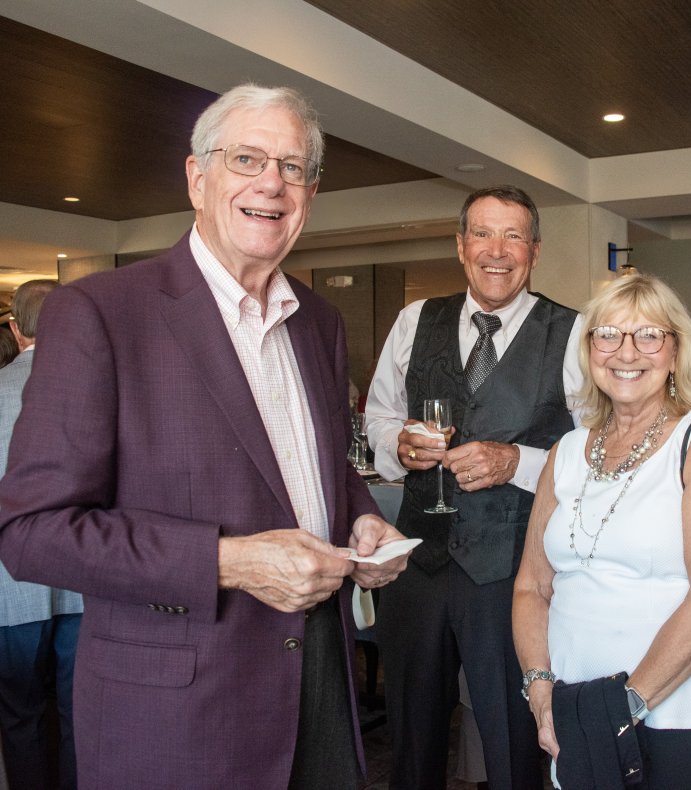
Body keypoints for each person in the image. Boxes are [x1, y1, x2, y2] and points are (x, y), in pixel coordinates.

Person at [0, 84, 410, 790]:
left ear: (309, 195)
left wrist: (364, 517)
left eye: (292, 168)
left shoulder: (319, 322)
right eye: (247, 158)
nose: (271, 184)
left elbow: (320, 473)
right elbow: (32, 533)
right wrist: (229, 562)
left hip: (320, 679)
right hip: (177, 716)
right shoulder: (100, 314)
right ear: (197, 178)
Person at [366, 185, 584, 789]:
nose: (497, 250)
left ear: (534, 250)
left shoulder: (575, 333)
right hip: (419, 562)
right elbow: (380, 417)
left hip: (514, 573)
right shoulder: (416, 320)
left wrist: (517, 461)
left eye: (513, 236)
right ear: (461, 247)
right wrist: (398, 447)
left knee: (513, 738)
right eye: (483, 234)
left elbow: (595, 455)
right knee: (412, 737)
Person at [512, 274, 691, 789]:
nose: (627, 352)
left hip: (682, 716)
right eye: (608, 334)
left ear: (674, 350)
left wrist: (623, 708)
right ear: (589, 348)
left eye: (648, 335)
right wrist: (540, 691)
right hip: (574, 710)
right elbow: (533, 586)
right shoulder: (567, 451)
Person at [0, 280, 83, 790]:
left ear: (14, 328)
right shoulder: (97, 389)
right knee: (82, 714)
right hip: (84, 584)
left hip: (10, 592)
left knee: (19, 715)